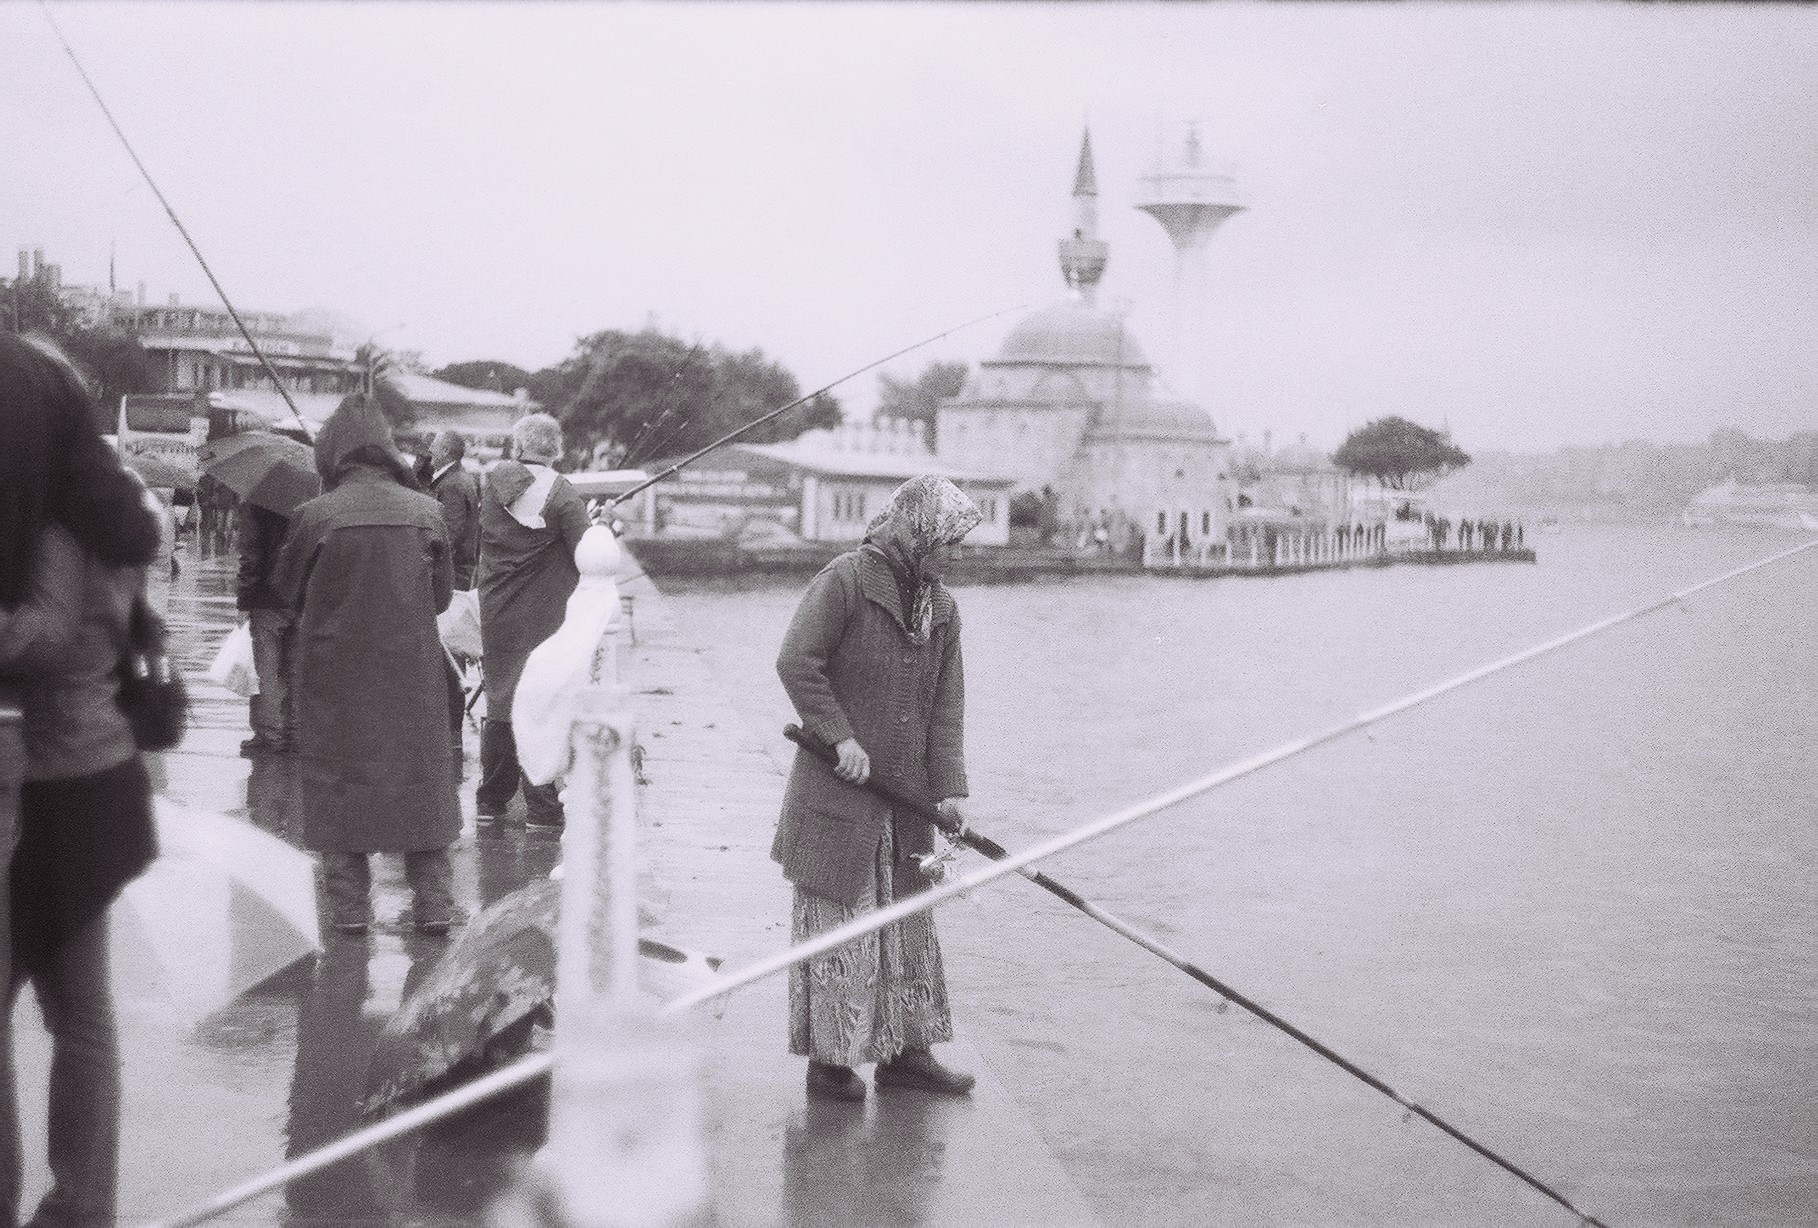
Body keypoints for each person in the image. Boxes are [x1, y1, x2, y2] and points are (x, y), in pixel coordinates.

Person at [0, 332, 164, 1225]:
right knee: (83, 1013)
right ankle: (82, 1207)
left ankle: (65, 1203)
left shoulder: (56, 522)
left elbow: (49, 633)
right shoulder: (119, 510)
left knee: (63, 1014)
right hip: (101, 772)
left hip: (59, 780)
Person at [772, 475, 983, 1103]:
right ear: (914, 531)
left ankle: (906, 1054)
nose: (953, 553)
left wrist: (948, 790)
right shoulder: (845, 580)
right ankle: (831, 1064)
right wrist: (839, 737)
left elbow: (947, 706)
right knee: (842, 925)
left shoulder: (941, 608)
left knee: (909, 925)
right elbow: (796, 661)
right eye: (946, 540)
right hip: (841, 792)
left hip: (908, 799)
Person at [272, 394, 461, 936]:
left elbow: (287, 591)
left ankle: (351, 913)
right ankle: (433, 907)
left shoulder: (314, 515)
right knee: (420, 786)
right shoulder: (428, 513)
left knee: (339, 785)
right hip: (412, 676)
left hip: (335, 678)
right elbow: (442, 599)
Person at [475, 413, 588, 830]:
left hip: (496, 606)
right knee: (539, 700)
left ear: (519, 447)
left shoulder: (490, 486)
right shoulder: (562, 495)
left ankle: (491, 799)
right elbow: (584, 553)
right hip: (543, 615)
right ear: (555, 450)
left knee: (500, 698)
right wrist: (600, 525)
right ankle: (541, 805)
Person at [236, 501, 295, 756]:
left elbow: (252, 553)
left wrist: (244, 597)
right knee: (298, 665)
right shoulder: (318, 499)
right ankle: (295, 732)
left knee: (267, 668)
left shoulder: (258, 502)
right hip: (304, 596)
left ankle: (270, 734)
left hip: (268, 595)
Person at [423, 430, 481, 590]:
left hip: (450, 577)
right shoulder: (459, 479)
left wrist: (425, 568)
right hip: (456, 573)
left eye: (434, 446)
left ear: (446, 451)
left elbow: (448, 534)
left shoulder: (452, 485)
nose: (430, 450)